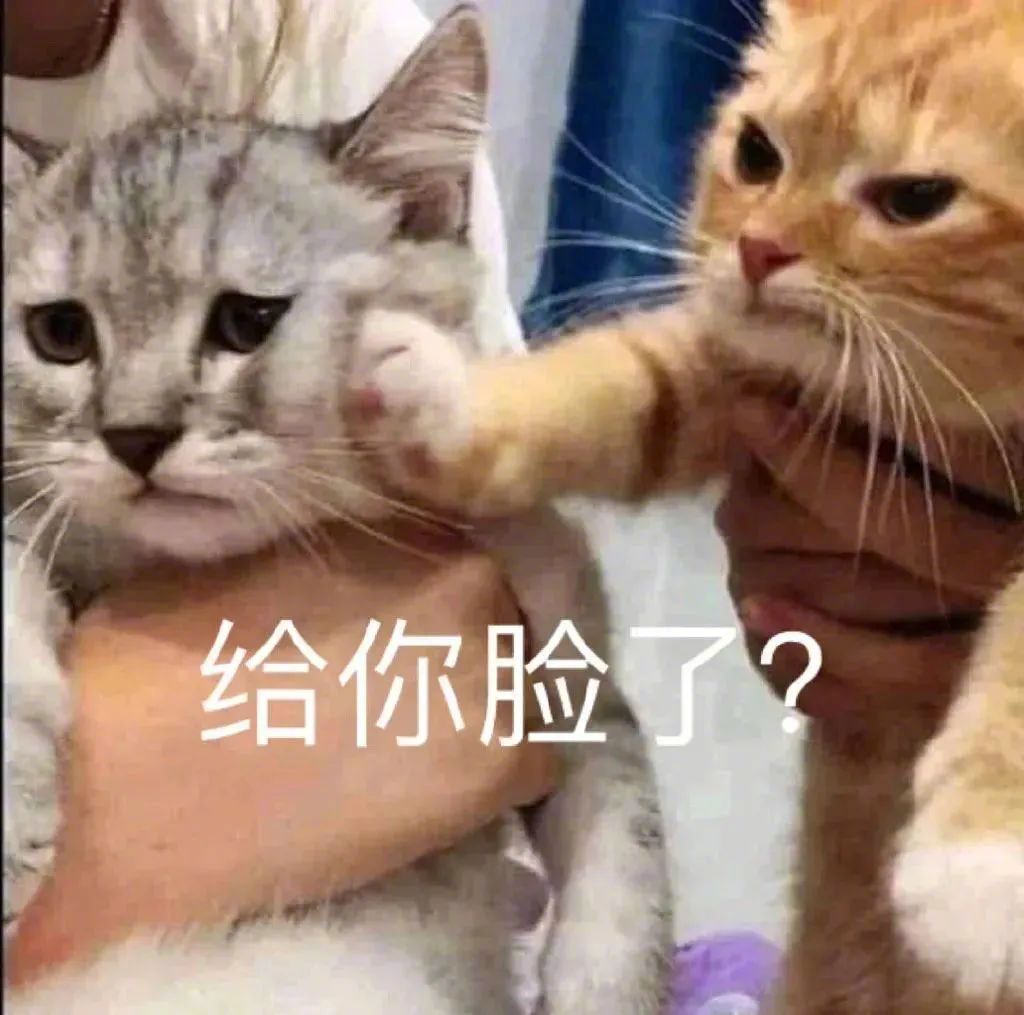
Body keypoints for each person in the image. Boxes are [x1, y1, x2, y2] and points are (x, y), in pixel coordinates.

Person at [6, 0, 1021, 998]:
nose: (136, 422)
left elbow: (508, 646)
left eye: (242, 319)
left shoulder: (339, 43)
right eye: (62, 333)